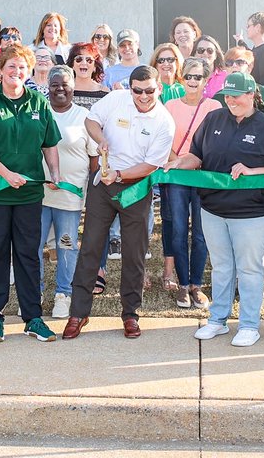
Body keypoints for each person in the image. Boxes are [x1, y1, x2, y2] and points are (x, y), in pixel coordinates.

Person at [170, 73, 264, 346]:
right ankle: (218, 320)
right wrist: (178, 164)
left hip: (254, 213)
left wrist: (252, 171)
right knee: (222, 267)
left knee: (249, 269)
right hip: (213, 208)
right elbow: (196, 155)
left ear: (252, 95)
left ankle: (249, 325)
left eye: (237, 95)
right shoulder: (214, 119)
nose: (231, 100)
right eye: (227, 95)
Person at [62, 66, 175, 340]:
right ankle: (78, 312)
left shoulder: (164, 121)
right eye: (138, 90)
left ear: (159, 88)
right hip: (103, 184)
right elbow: (91, 121)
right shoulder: (115, 99)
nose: (143, 96)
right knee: (90, 247)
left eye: (149, 90)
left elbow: (151, 165)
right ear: (130, 87)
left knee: (134, 254)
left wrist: (121, 175)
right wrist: (100, 140)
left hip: (135, 189)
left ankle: (130, 314)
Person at [0, 43, 62, 343]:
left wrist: (54, 173)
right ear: (0, 69)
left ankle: (32, 317)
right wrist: (5, 174)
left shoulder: (38, 102)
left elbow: (49, 143)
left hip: (28, 195)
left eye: (22, 67)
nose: (16, 71)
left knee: (28, 255)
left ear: (29, 71)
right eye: (11, 66)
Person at [162, 57, 221, 307]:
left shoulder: (215, 107)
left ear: (206, 80)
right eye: (189, 76)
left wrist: (194, 161)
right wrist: (178, 161)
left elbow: (217, 143)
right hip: (176, 174)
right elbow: (163, 140)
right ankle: (183, 285)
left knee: (200, 232)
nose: (193, 81)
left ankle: (196, 284)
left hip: (202, 173)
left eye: (198, 77)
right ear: (181, 78)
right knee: (177, 230)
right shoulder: (170, 105)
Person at [40, 66, 97, 320]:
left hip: (70, 197)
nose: (59, 89)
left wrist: (91, 192)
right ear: (47, 87)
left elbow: (95, 159)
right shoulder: (38, 112)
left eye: (64, 84)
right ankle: (34, 292)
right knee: (33, 246)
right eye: (54, 84)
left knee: (66, 246)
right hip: (38, 195)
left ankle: (63, 294)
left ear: (73, 87)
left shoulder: (85, 117)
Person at [68, 41, 109, 109]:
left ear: (95, 67)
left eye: (89, 60)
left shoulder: (104, 92)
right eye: (79, 59)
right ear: (72, 65)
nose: (84, 63)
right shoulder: (64, 90)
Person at [241, 12, 264, 89]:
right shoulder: (258, 48)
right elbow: (251, 54)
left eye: (248, 26)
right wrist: (240, 41)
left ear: (257, 27)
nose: (247, 29)